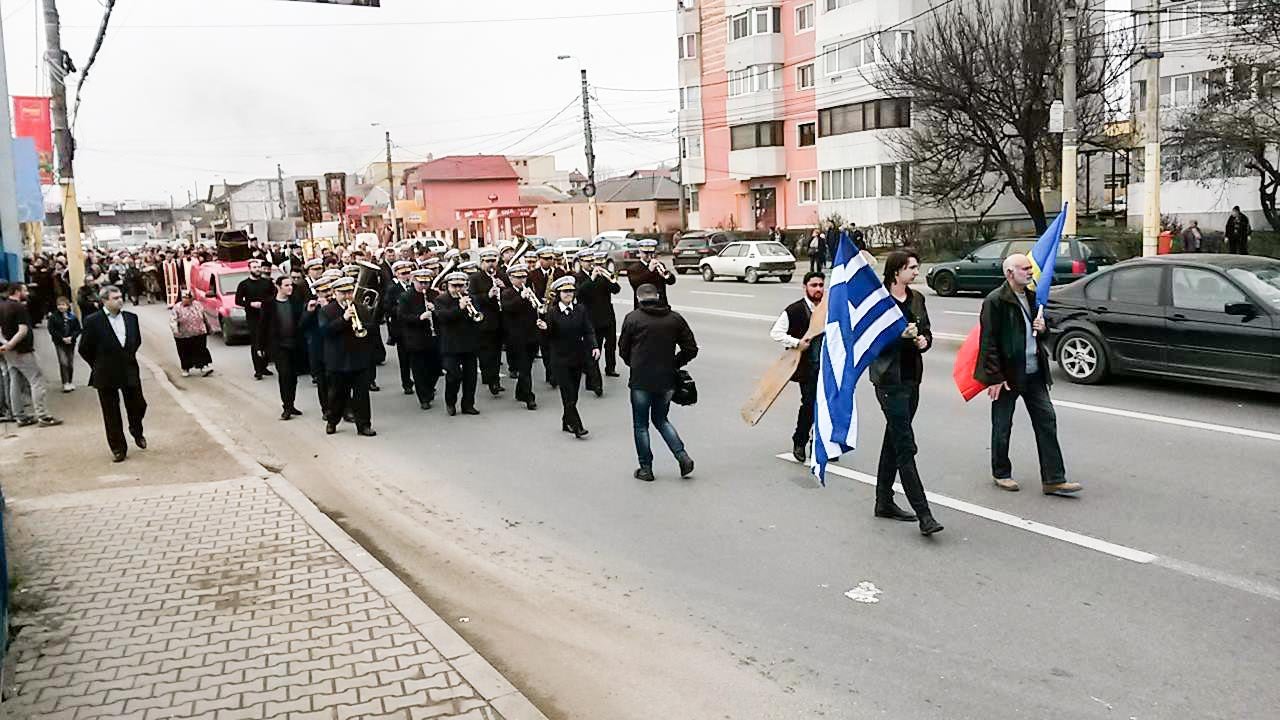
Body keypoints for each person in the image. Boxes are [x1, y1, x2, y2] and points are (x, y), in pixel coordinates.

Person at [975, 254, 1081, 496]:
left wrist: (1043, 329)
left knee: (1047, 420)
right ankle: (1001, 472)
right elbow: (988, 341)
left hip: (1034, 372)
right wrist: (995, 377)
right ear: (1009, 273)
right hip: (1009, 375)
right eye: (1024, 268)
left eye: (1029, 268)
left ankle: (1054, 478)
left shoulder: (1033, 298)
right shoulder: (995, 301)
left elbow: (1041, 333)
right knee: (1003, 425)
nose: (1030, 272)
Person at [868, 251, 943, 536]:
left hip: (912, 377)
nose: (916, 272)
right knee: (904, 444)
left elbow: (927, 331)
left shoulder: (917, 299)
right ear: (896, 271)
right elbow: (870, 341)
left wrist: (924, 341)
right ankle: (925, 515)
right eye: (912, 268)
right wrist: (896, 338)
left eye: (916, 266)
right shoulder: (878, 302)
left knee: (894, 438)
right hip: (888, 380)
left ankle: (883, 502)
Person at [618, 283, 698, 481]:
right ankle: (682, 456)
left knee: (640, 425)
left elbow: (623, 349)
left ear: (638, 298)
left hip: (641, 380)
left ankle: (646, 468)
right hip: (667, 380)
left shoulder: (633, 318)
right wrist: (674, 364)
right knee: (661, 419)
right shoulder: (674, 318)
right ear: (658, 296)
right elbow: (691, 348)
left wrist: (635, 364)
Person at [78, 285, 144, 461]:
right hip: (105, 372)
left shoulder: (131, 318)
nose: (120, 300)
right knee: (111, 412)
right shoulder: (93, 321)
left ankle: (136, 430)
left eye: (121, 296)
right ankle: (118, 448)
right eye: (115, 298)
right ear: (104, 301)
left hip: (129, 368)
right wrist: (98, 364)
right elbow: (84, 348)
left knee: (138, 404)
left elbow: (136, 340)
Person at [770, 272, 824, 463]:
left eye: (820, 285)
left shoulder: (829, 309)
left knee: (826, 407)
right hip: (806, 368)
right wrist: (796, 342)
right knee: (809, 404)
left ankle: (821, 445)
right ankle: (799, 441)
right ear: (805, 287)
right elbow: (776, 333)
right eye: (814, 285)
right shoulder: (794, 310)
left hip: (827, 367)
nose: (818, 289)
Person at [538, 276, 597, 438]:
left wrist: (594, 346)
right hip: (560, 359)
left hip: (578, 357)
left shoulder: (581, 309)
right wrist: (544, 329)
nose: (568, 294)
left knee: (574, 394)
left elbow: (588, 330)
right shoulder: (552, 313)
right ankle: (577, 426)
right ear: (558, 294)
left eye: (571, 291)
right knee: (567, 393)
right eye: (565, 291)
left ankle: (566, 421)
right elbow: (547, 338)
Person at [0, 282, 63, 427]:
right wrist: (11, 344)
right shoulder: (19, 308)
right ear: (17, 292)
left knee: (14, 381)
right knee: (36, 380)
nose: (27, 293)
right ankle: (43, 415)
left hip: (9, 352)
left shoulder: (2, 306)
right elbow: (22, 331)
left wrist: (5, 345)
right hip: (22, 350)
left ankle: (19, 416)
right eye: (25, 290)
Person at [321, 277, 377, 436]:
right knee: (337, 395)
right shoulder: (327, 311)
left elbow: (372, 329)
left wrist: (362, 326)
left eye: (349, 292)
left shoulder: (361, 308)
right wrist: (344, 319)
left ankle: (364, 425)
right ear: (334, 293)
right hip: (338, 360)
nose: (347, 296)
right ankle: (332, 421)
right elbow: (326, 331)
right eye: (342, 292)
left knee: (362, 395)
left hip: (358, 358)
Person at [257, 276, 306, 421]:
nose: (290, 288)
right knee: (284, 375)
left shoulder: (295, 302)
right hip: (279, 346)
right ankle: (286, 406)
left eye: (291, 285)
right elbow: (262, 326)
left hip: (294, 344)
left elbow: (300, 322)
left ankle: (291, 404)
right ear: (278, 287)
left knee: (293, 376)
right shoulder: (269, 304)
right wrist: (260, 345)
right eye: (286, 285)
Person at [434, 270, 483, 416]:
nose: (457, 289)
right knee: (453, 375)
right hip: (451, 345)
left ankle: (468, 404)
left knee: (471, 377)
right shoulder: (441, 300)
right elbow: (443, 317)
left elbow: (478, 318)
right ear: (448, 286)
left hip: (469, 344)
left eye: (461, 286)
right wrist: (460, 308)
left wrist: (473, 313)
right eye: (454, 286)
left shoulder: (471, 299)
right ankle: (450, 402)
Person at [397, 268, 443, 410]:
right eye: (421, 282)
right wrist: (419, 317)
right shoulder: (406, 296)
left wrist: (435, 309)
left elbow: (442, 314)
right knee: (419, 369)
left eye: (427, 282)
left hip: (433, 337)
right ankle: (423, 397)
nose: (424, 286)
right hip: (415, 338)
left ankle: (429, 388)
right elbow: (402, 317)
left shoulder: (434, 294)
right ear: (414, 281)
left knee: (436, 367)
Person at [499, 263, 541, 411]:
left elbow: (536, 309)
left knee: (527, 366)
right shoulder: (507, 293)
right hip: (516, 336)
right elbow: (508, 308)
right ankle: (529, 397)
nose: (522, 280)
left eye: (524, 276)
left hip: (532, 334)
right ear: (510, 278)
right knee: (524, 368)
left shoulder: (529, 291)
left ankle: (520, 392)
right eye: (518, 277)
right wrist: (521, 298)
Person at [469, 247, 507, 397]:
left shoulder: (502, 275)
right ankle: (491, 379)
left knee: (497, 352)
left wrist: (504, 288)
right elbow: (472, 298)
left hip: (500, 320)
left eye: (493, 261)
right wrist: (487, 295)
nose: (491, 264)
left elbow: (511, 293)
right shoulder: (475, 278)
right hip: (485, 320)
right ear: (482, 263)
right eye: (488, 261)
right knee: (486, 352)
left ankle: (494, 379)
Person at [528, 248, 567, 386]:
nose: (549, 261)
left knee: (556, 343)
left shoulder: (560, 273)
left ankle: (556, 372)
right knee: (544, 345)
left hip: (556, 310)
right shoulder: (532, 274)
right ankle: (550, 373)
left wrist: (556, 297)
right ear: (539, 259)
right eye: (545, 259)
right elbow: (529, 291)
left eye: (551, 259)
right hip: (541, 312)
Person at [234, 258, 275, 380]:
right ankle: (258, 370)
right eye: (254, 267)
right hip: (253, 317)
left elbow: (273, 296)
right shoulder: (244, 284)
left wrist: (264, 303)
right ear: (249, 269)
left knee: (267, 342)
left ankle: (264, 366)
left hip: (266, 316)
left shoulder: (267, 283)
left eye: (258, 267)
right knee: (256, 343)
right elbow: (238, 300)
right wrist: (250, 304)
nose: (257, 269)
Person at [584, 251, 622, 378]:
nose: (590, 264)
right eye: (587, 261)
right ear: (581, 262)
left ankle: (610, 368)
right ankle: (593, 373)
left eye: (591, 261)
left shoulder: (603, 276)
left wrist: (610, 278)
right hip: (592, 317)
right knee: (596, 346)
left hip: (608, 315)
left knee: (611, 344)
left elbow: (616, 290)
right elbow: (580, 294)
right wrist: (592, 279)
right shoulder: (579, 277)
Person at [383, 260, 416, 395]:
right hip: (401, 328)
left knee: (418, 358)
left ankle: (421, 381)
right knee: (404, 358)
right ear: (396, 274)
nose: (406, 276)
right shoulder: (392, 289)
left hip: (416, 326)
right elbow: (387, 307)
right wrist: (402, 309)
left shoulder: (414, 286)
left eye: (408, 273)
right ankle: (406, 382)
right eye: (403, 273)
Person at [169, 289, 214, 377]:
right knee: (184, 352)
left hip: (199, 332)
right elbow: (173, 320)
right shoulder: (177, 307)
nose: (185, 299)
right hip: (183, 334)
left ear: (191, 298)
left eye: (187, 297)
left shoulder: (197, 305)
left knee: (201, 349)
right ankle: (186, 368)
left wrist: (209, 328)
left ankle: (203, 366)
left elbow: (204, 317)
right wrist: (175, 330)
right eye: (183, 297)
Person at [627, 239, 676, 308]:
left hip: (661, 305)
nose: (649, 256)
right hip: (643, 308)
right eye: (646, 253)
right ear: (640, 252)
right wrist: (649, 270)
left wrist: (666, 274)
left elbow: (671, 282)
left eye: (652, 253)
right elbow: (635, 283)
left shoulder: (659, 265)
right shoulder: (633, 268)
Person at [47, 296, 82, 392]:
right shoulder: (53, 317)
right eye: (59, 305)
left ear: (67, 306)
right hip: (59, 342)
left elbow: (78, 329)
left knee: (70, 363)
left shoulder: (72, 317)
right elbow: (51, 330)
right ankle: (65, 382)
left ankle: (70, 381)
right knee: (63, 362)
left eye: (63, 305)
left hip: (71, 343)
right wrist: (62, 338)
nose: (61, 307)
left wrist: (72, 337)